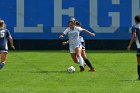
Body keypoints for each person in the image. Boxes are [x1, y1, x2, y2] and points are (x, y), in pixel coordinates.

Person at [128, 15, 140, 80]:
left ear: (135, 20)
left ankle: (139, 77)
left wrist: (130, 45)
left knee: (139, 62)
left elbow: (134, 36)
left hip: (139, 48)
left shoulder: (134, 27)